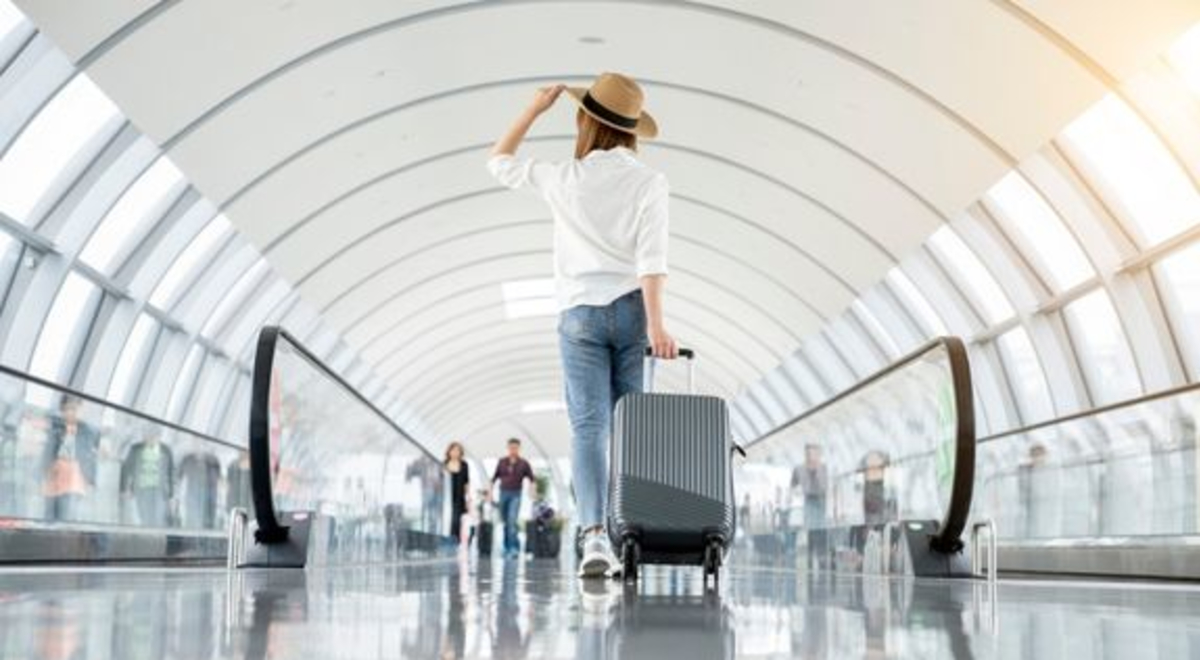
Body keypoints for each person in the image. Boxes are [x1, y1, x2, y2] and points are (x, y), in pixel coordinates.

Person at [487, 72, 677, 578]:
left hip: (578, 317)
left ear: (585, 121)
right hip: (634, 311)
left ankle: (594, 536)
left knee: (588, 427)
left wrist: (533, 109)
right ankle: (630, 532)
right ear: (633, 130)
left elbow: (498, 161)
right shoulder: (649, 183)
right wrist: (658, 327)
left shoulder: (563, 177)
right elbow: (652, 261)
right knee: (629, 427)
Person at [42, 396, 100, 522]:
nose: (70, 413)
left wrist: (92, 480)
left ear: (81, 410)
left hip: (73, 478)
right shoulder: (56, 428)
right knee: (49, 516)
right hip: (55, 475)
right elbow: (47, 452)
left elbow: (90, 456)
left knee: (67, 514)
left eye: (74, 409)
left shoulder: (88, 431)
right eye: (66, 409)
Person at [119, 427, 175, 527]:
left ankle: (155, 538)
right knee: (144, 516)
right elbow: (126, 468)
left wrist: (171, 495)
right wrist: (124, 488)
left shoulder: (166, 450)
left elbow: (171, 473)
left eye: (153, 437)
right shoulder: (135, 449)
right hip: (141, 489)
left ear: (159, 437)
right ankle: (147, 537)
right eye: (148, 436)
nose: (150, 439)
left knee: (158, 517)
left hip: (159, 491)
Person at [488, 438, 535, 560]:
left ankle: (513, 549)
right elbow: (493, 479)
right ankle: (506, 547)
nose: (513, 450)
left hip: (516, 494)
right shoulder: (502, 462)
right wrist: (490, 493)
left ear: (519, 448)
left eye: (516, 448)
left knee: (512, 520)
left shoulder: (523, 463)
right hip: (503, 493)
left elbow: (532, 479)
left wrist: (531, 491)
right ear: (508, 448)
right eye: (511, 447)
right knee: (505, 522)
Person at [792, 444, 828, 569]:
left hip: (821, 502)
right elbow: (793, 486)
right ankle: (809, 563)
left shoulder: (823, 468)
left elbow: (825, 487)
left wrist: (817, 470)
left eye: (813, 453)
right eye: (808, 454)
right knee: (810, 534)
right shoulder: (800, 469)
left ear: (818, 455)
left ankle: (822, 561)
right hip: (808, 501)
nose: (811, 456)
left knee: (821, 533)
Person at [444, 441, 471, 545]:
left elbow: (466, 482)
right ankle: (448, 538)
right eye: (453, 450)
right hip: (447, 496)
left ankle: (455, 539)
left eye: (458, 450)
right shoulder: (444, 463)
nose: (455, 452)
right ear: (449, 451)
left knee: (456, 519)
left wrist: (468, 498)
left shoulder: (464, 465)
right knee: (448, 518)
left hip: (459, 496)